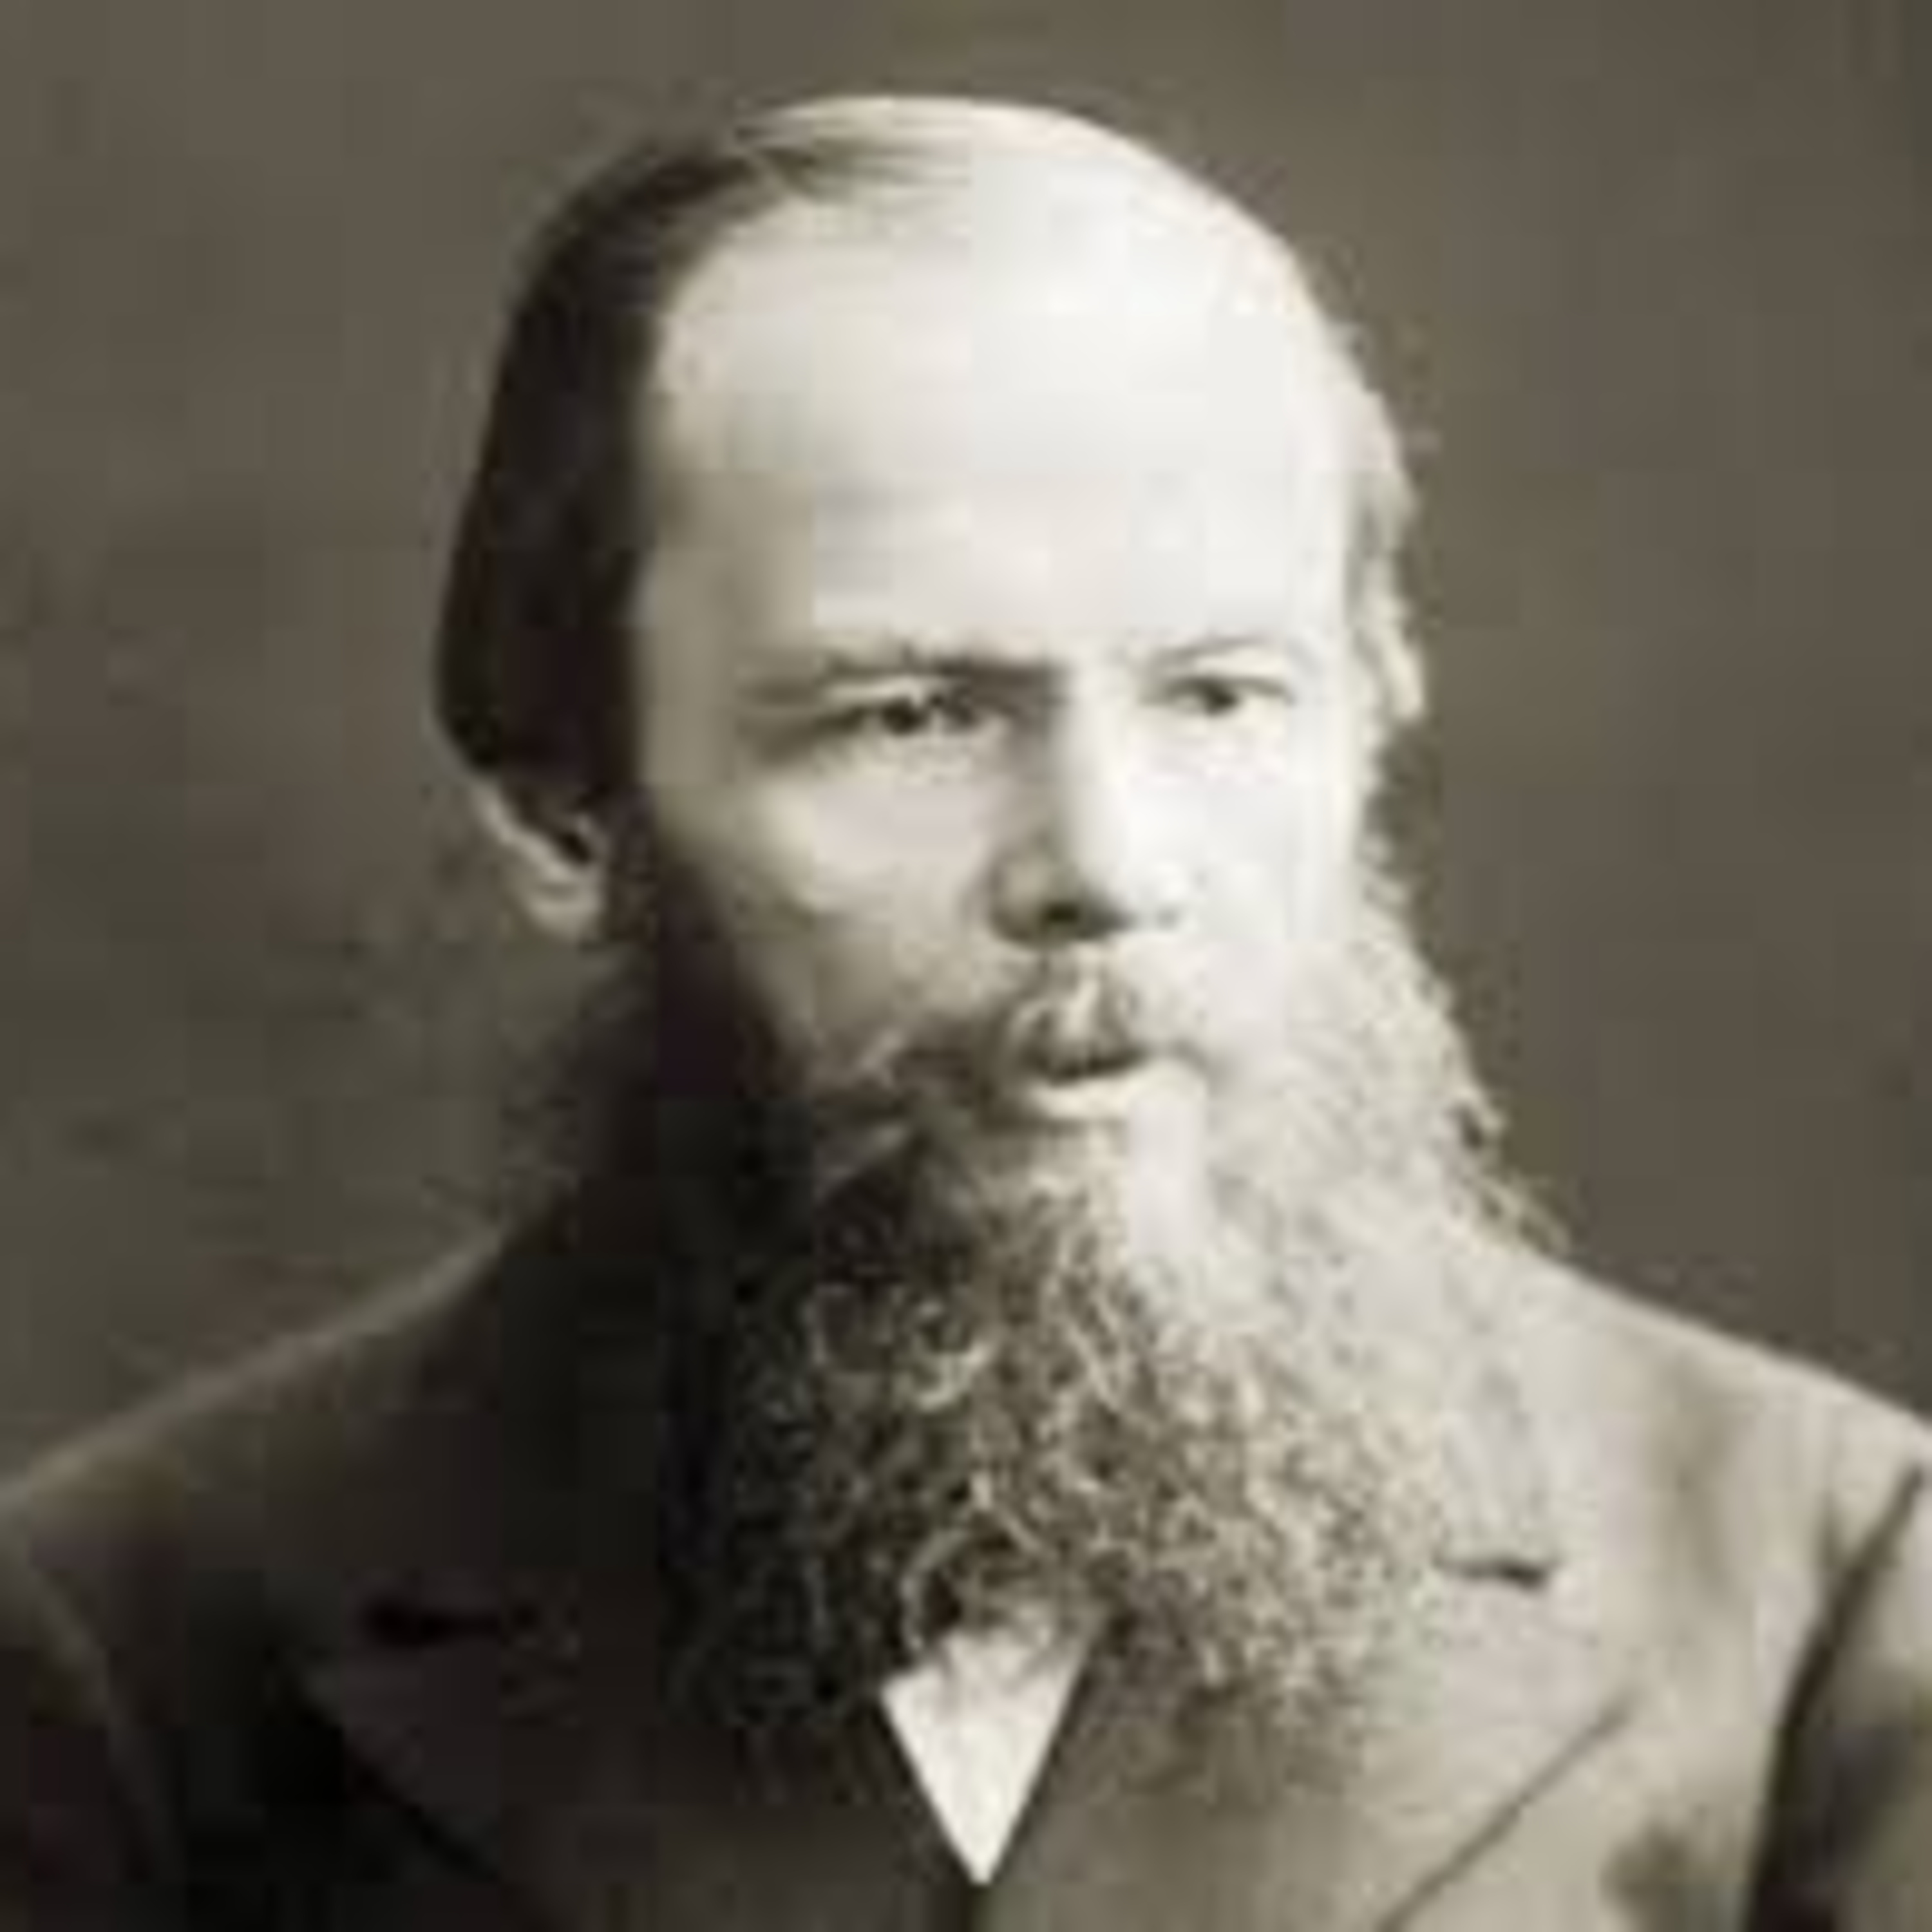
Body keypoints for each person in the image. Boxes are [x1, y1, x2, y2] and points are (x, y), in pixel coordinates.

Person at [0, 93, 1927, 1932]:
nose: (1106, 863)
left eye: (1221, 694)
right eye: (910, 715)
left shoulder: (1838, 1605)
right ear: (565, 818)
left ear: (1374, 711)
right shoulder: (119, 1655)